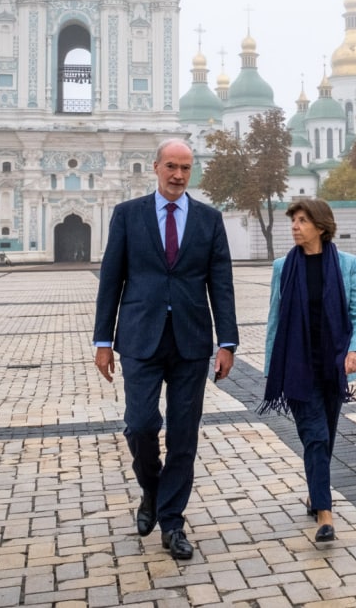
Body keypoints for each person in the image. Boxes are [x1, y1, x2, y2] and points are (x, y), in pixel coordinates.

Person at [93, 138, 238, 561]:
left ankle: (172, 522)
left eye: (185, 168)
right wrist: (103, 341)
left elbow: (221, 283)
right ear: (155, 167)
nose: (178, 175)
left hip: (191, 340)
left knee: (183, 434)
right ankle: (152, 491)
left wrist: (227, 342)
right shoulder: (128, 215)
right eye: (171, 166)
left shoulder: (209, 219)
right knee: (140, 425)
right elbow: (111, 278)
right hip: (140, 337)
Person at [261, 199, 356, 544]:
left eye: (302, 220)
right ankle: (325, 514)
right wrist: (272, 368)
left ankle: (314, 491)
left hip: (333, 366)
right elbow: (275, 320)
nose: (295, 226)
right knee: (316, 436)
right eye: (293, 220)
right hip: (297, 366)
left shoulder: (347, 264)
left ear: (321, 227)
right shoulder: (283, 267)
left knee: (325, 438)